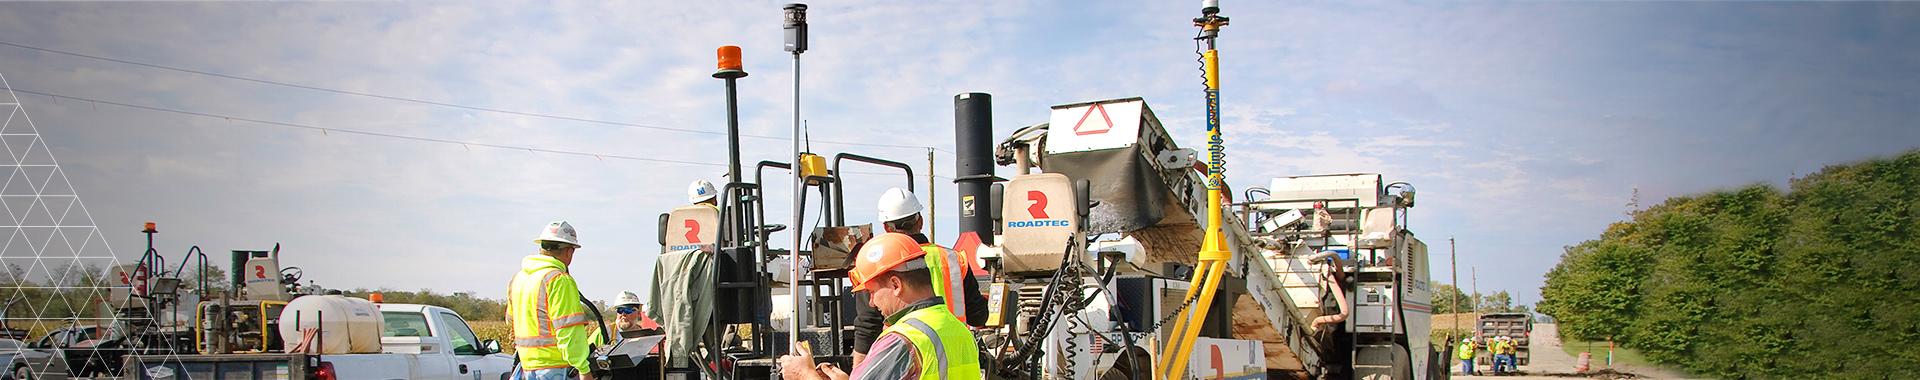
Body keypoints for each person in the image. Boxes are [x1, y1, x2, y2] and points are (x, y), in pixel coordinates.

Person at [779, 233, 981, 380]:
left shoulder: (903, 339)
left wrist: (804, 374)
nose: (871, 302)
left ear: (896, 285)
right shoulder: (956, 328)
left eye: (872, 292)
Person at [851, 188, 989, 366]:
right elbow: (978, 317)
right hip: (958, 356)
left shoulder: (878, 266)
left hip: (905, 359)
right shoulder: (954, 259)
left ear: (886, 228)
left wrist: (857, 371)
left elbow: (867, 327)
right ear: (920, 221)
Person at [507, 221, 596, 380]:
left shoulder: (518, 278)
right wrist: (583, 368)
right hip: (556, 368)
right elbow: (568, 330)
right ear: (569, 252)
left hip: (525, 368)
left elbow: (511, 321)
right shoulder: (558, 280)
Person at [592, 291, 661, 342]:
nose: (623, 314)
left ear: (638, 313)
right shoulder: (605, 331)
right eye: (620, 310)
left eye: (628, 310)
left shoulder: (646, 335)